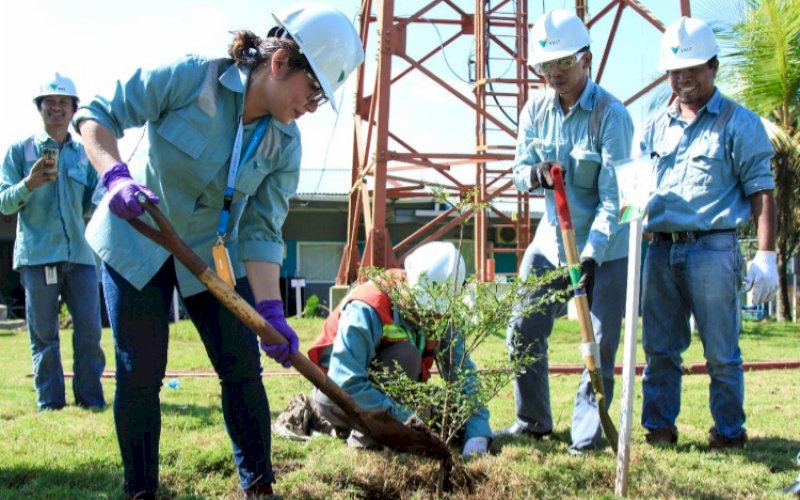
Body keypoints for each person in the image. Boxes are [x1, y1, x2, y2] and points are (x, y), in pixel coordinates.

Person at [72, 4, 364, 498]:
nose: (312, 107)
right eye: (312, 91)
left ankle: (258, 487)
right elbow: (97, 113)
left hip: (207, 260)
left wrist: (271, 310)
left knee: (242, 367)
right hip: (136, 237)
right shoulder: (193, 79)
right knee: (140, 372)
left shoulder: (285, 143)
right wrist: (114, 175)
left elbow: (262, 230)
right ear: (278, 64)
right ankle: (140, 490)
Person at [639, 16, 777, 450]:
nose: (683, 79)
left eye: (693, 69)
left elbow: (761, 190)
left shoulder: (739, 123)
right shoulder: (654, 125)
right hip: (659, 250)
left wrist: (767, 255)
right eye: (676, 71)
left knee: (720, 352)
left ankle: (729, 433)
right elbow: (637, 187)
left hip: (712, 250)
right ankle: (659, 429)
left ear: (713, 67)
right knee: (659, 349)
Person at [502, 9, 633, 454]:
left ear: (587, 60)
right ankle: (533, 420)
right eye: (545, 66)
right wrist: (532, 174)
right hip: (550, 242)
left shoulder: (611, 116)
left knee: (597, 343)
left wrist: (591, 255)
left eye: (563, 63)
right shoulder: (535, 109)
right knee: (522, 327)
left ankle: (588, 436)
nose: (554, 73)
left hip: (606, 250)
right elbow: (518, 171)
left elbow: (615, 200)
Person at [307, 241, 493, 458]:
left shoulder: (442, 313)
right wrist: (404, 417)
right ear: (407, 282)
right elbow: (345, 380)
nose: (430, 318)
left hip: (389, 399)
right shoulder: (368, 305)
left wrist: (478, 434)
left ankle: (380, 433)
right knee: (406, 355)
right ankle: (366, 441)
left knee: (415, 370)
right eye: (424, 309)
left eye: (437, 313)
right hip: (337, 398)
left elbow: (463, 375)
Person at [0, 73, 106, 411]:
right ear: (40, 107)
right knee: (44, 335)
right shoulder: (19, 151)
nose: (57, 107)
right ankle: (51, 404)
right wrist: (28, 184)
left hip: (81, 256)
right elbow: (3, 202)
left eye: (64, 102)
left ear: (74, 109)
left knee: (90, 331)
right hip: (37, 257)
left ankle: (91, 399)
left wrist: (105, 193)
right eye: (50, 101)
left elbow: (91, 206)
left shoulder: (83, 154)